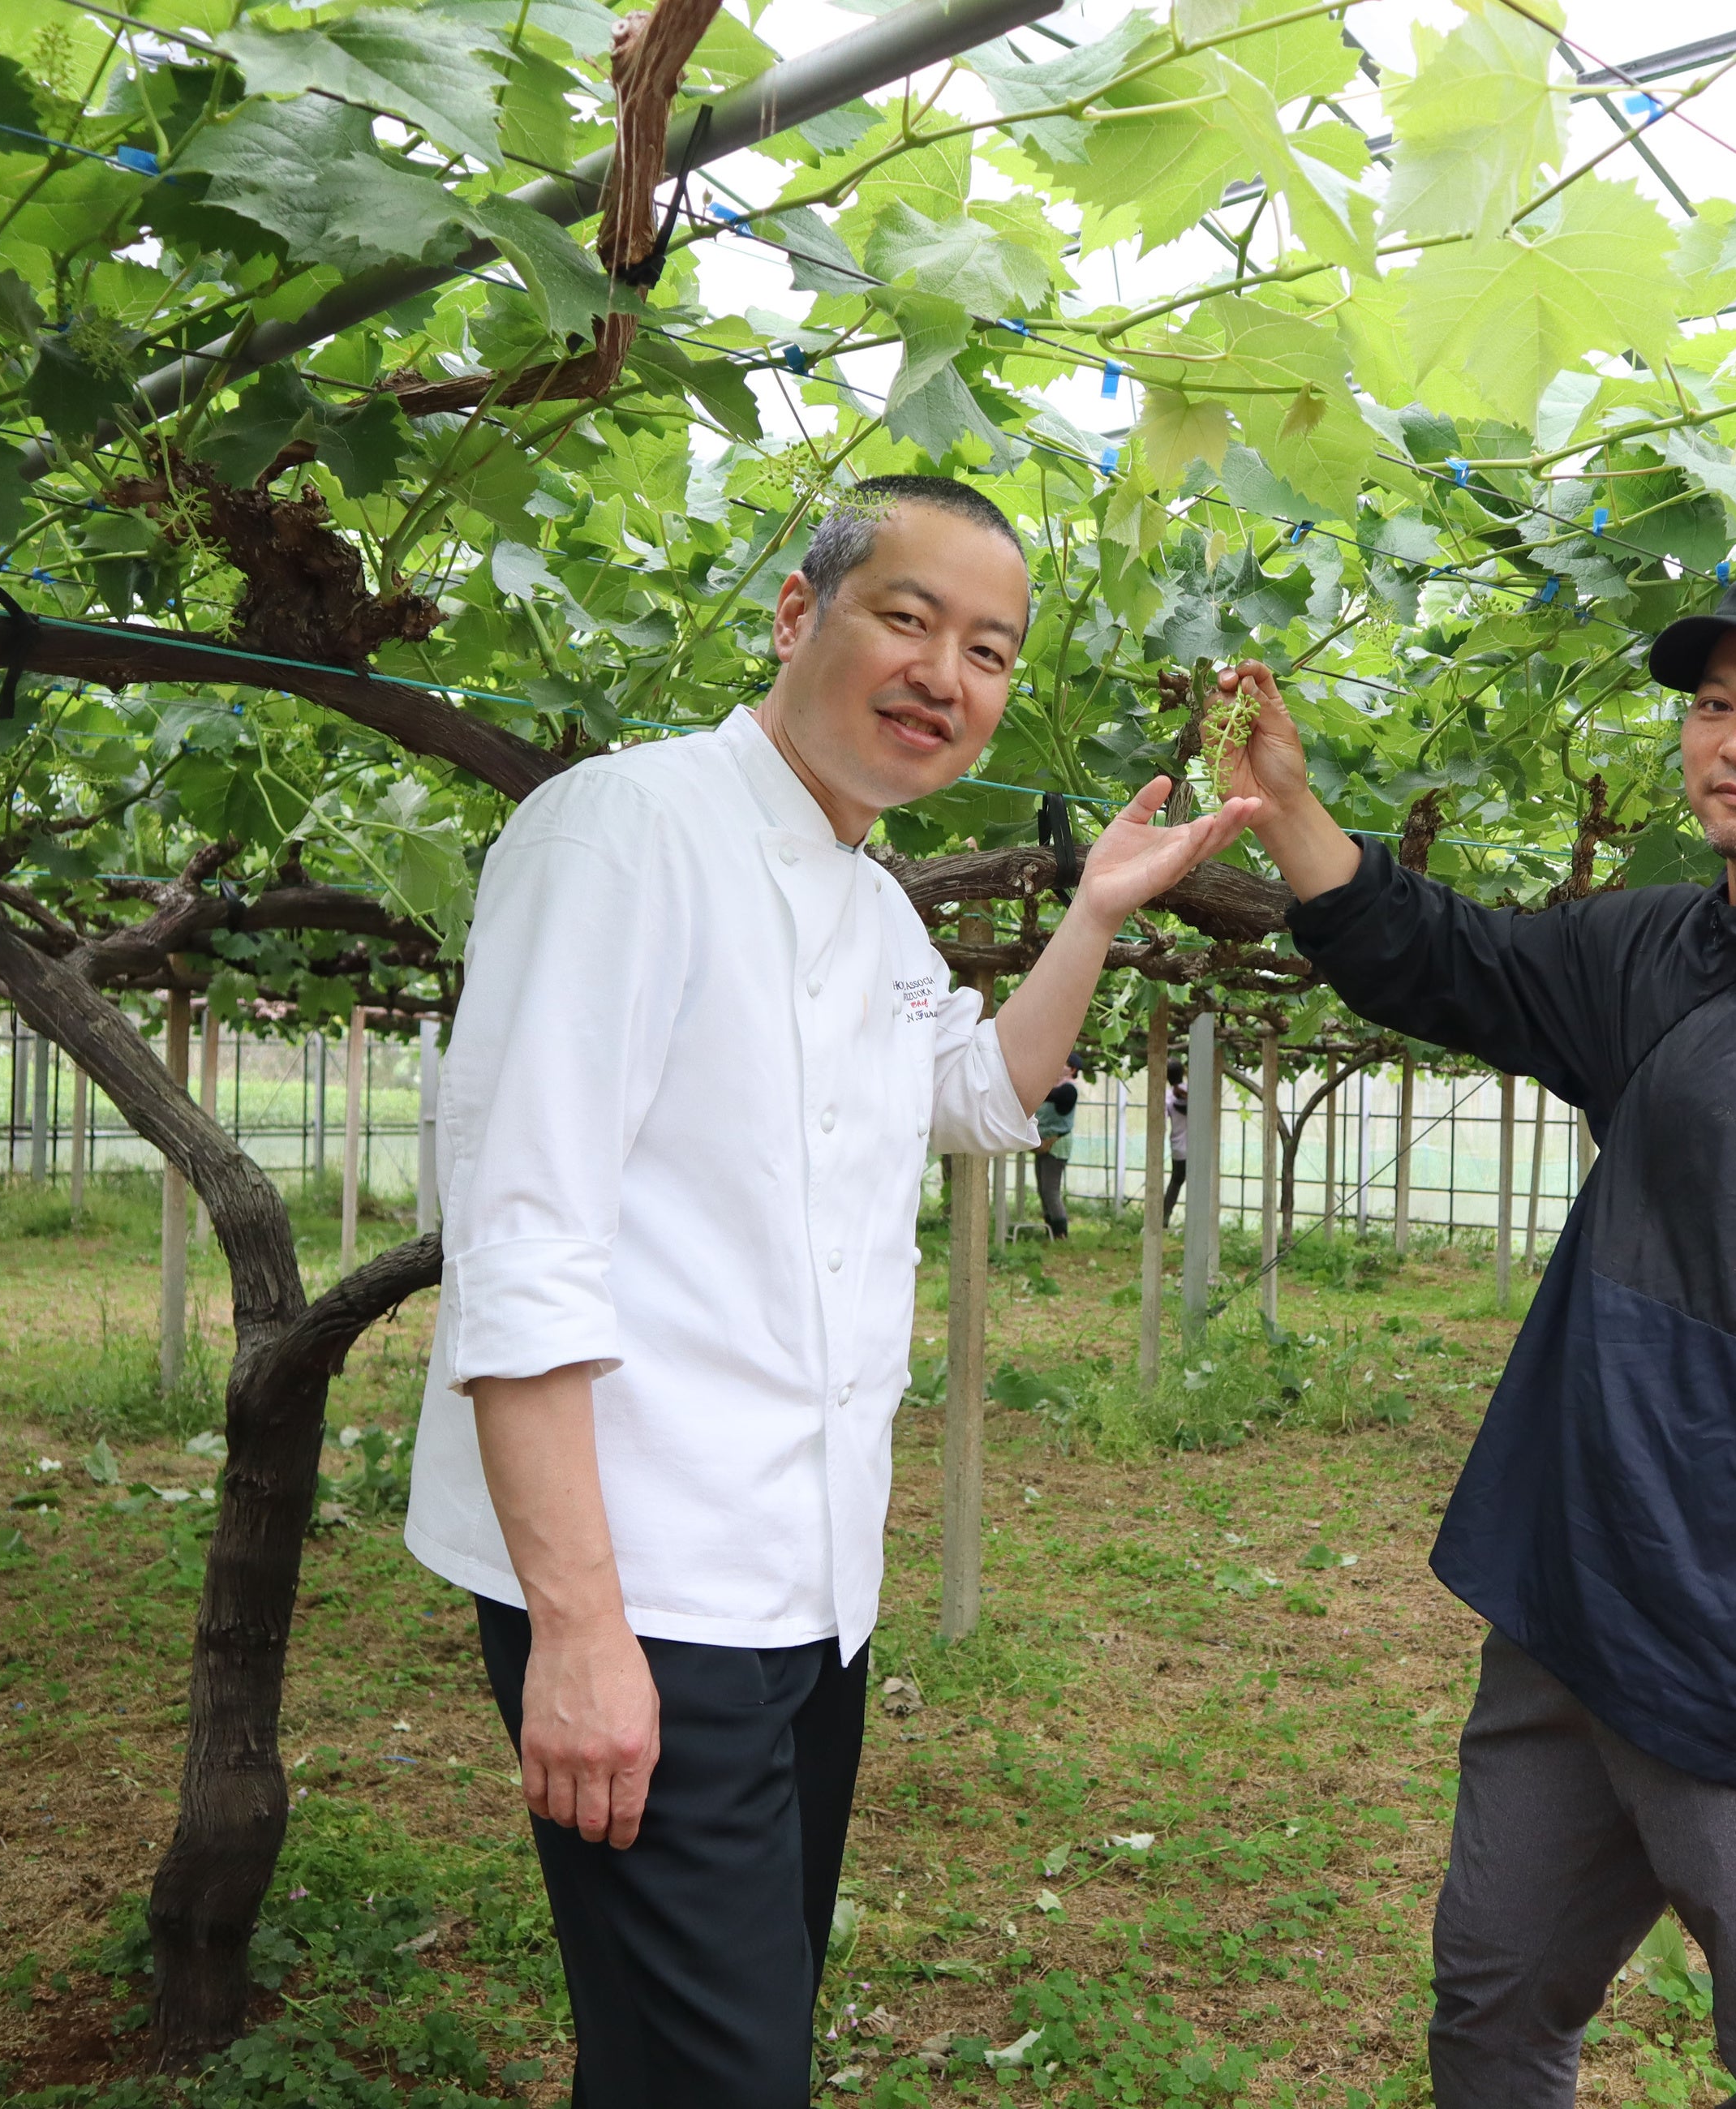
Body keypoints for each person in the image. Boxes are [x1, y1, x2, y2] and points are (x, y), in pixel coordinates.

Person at [402, 475, 1259, 2107]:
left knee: (698, 2053)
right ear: (800, 616)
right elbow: (523, 1245)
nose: (949, 673)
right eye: (909, 618)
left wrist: (1091, 914)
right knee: (727, 2073)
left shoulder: (869, 902)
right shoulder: (625, 831)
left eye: (991, 650)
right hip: (648, 1595)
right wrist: (580, 1637)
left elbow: (980, 1100)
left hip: (805, 1590)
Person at [1218, 562, 1736, 2107]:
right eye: (1717, 705)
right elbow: (1449, 961)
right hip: (1565, 1604)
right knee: (1490, 2005)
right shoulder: (1657, 951)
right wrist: (1291, 814)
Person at [1033, 1059, 1079, 1239]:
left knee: (1050, 1190)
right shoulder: (1056, 1086)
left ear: (1073, 1070)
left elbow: (1051, 1095)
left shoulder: (1069, 1089)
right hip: (1044, 1142)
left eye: (1064, 1063)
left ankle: (1060, 1233)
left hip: (1057, 1144)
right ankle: (1050, 1229)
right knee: (1043, 1188)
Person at [1158, 1059, 1189, 1225]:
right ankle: (1194, 1218)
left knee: (1176, 1181)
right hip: (1196, 1145)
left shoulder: (1167, 1097)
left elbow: (1161, 1120)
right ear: (1183, 1072)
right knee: (1196, 1183)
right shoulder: (1193, 1091)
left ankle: (1164, 1218)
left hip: (1178, 1146)